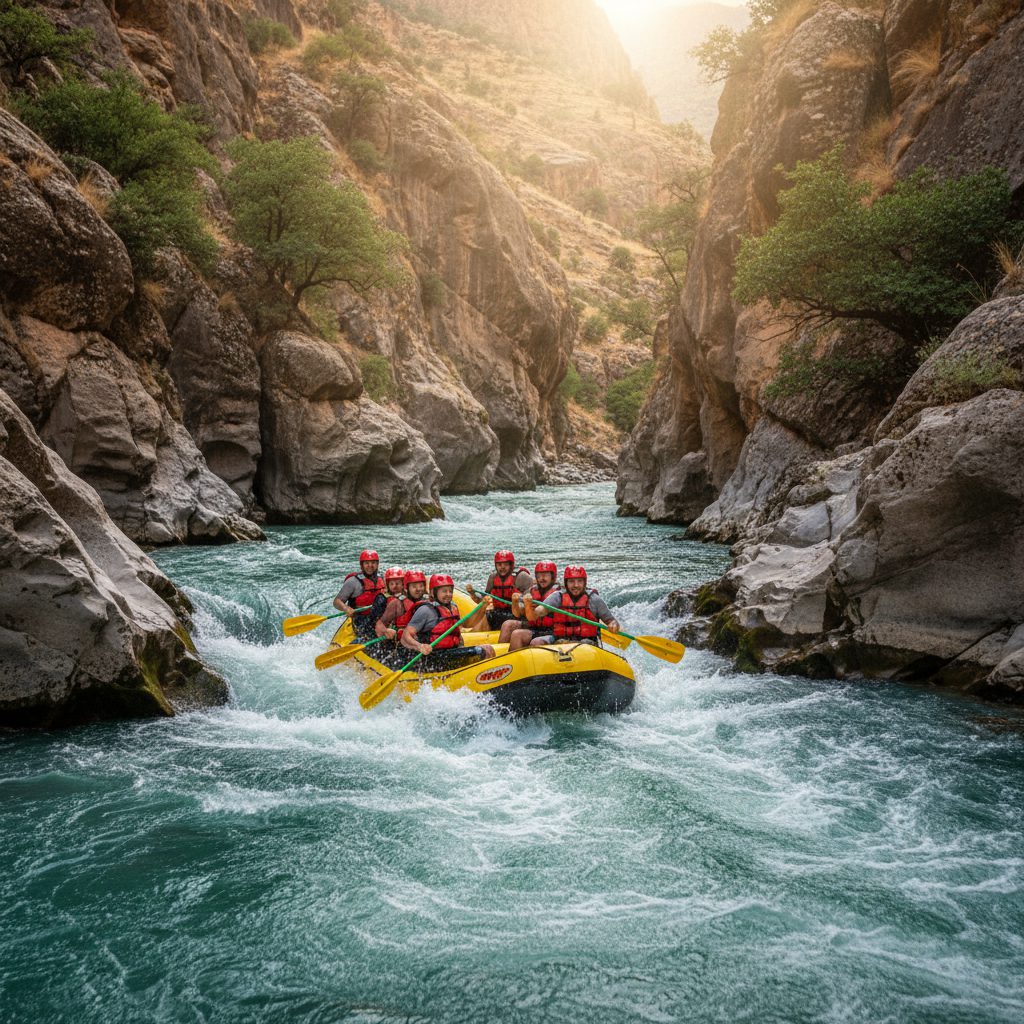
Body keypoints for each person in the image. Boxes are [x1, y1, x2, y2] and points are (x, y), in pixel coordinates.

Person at [401, 574, 495, 671]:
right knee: (484, 651)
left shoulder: (453, 607)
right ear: (433, 592)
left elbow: (468, 625)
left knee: (488, 649)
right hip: (434, 657)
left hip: (451, 653)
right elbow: (405, 636)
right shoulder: (425, 610)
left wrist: (482, 607)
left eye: (450, 591)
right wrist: (420, 646)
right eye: (444, 591)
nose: (448, 594)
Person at [532, 566, 620, 647]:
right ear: (566, 583)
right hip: (559, 640)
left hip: (587, 642)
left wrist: (613, 625)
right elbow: (540, 611)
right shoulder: (557, 596)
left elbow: (611, 621)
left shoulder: (594, 599)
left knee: (585, 644)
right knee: (536, 642)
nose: (576, 585)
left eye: (579, 581)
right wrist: (536, 609)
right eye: (571, 581)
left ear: (584, 583)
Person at [464, 550, 533, 637]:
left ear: (511, 565)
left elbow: (531, 602)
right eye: (499, 565)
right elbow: (482, 600)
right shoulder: (493, 578)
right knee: (488, 612)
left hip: (518, 616)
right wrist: (473, 593)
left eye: (505, 564)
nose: (502, 567)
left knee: (491, 613)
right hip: (499, 613)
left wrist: (518, 601)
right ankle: (472, 635)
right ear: (496, 565)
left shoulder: (522, 577)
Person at [374, 569, 428, 666]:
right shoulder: (397, 603)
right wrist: (386, 631)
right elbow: (379, 624)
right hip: (401, 646)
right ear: (406, 587)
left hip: (424, 644)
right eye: (414, 586)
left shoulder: (429, 602)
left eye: (421, 586)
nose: (418, 589)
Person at [508, 561, 560, 652]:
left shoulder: (559, 593)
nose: (542, 579)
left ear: (553, 576)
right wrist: (515, 603)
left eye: (545, 575)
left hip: (554, 631)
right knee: (516, 634)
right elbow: (518, 614)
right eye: (539, 575)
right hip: (536, 629)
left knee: (535, 641)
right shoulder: (532, 590)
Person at [333, 549, 384, 640]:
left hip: (381, 618)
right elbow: (337, 601)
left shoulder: (383, 578)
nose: (370, 566)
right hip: (360, 619)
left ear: (377, 564)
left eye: (373, 563)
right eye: (367, 563)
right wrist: (346, 608)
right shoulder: (353, 582)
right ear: (362, 565)